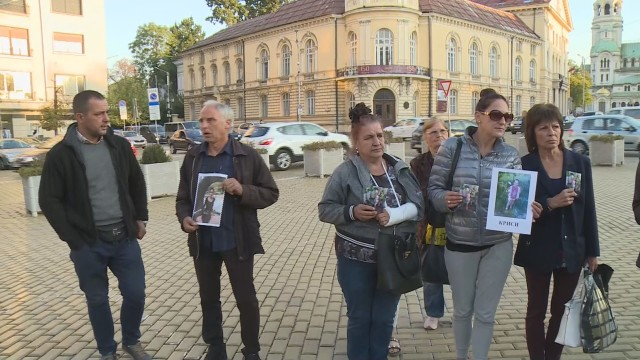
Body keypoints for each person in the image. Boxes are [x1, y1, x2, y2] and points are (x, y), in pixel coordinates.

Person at [428, 88, 542, 360]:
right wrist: (446, 199)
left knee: (486, 313)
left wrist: (528, 209)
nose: (503, 120)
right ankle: (460, 356)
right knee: (463, 310)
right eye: (496, 114)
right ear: (479, 116)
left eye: (507, 115)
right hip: (459, 244)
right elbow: (433, 191)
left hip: (497, 245)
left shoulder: (510, 155)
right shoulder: (452, 148)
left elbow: (514, 199)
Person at [39, 90, 151, 360]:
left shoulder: (120, 146)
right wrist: (73, 239)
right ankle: (107, 350)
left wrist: (140, 218)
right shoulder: (61, 155)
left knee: (135, 293)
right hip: (89, 243)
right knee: (98, 299)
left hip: (124, 238)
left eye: (107, 113)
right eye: (98, 114)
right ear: (80, 117)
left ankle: (131, 341)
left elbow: (136, 182)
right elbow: (49, 199)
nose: (106, 119)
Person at [318, 103, 424, 360]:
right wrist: (352, 212)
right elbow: (325, 209)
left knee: (385, 319)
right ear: (356, 142)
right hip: (356, 260)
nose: (376, 142)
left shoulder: (399, 168)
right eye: (368, 137)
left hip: (394, 257)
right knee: (360, 318)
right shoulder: (345, 173)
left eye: (379, 135)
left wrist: (400, 214)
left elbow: (419, 206)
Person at [175, 100, 279, 360]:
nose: (203, 126)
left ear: (228, 124)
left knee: (246, 299)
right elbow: (182, 198)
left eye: (210, 120)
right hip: (203, 240)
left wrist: (243, 190)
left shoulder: (246, 155)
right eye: (201, 121)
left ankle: (251, 351)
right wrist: (184, 217)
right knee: (208, 298)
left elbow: (271, 193)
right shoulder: (193, 156)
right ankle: (216, 347)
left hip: (237, 239)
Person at [514, 103, 599, 360]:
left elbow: (589, 208)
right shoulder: (524, 165)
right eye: (543, 127)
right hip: (538, 247)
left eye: (555, 126)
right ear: (533, 133)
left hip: (572, 248)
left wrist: (593, 251)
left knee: (561, 310)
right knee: (536, 311)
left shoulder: (579, 162)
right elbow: (518, 212)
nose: (551, 132)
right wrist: (550, 204)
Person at [409, 118, 450, 331]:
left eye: (443, 131)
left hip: (457, 225)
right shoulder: (418, 164)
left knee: (462, 272)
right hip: (429, 224)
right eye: (433, 132)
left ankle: (464, 312)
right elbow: (414, 195)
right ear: (425, 137)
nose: (439, 136)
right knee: (431, 271)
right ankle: (433, 313)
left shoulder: (459, 160)